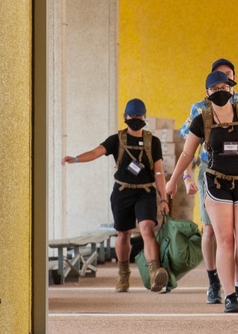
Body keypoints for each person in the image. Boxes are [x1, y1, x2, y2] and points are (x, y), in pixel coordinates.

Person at [167, 70, 238, 314]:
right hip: (217, 184)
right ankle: (229, 294)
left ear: (232, 88)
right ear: (207, 93)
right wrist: (174, 180)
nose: (220, 91)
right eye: (214, 88)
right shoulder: (202, 120)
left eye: (224, 87)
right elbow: (187, 154)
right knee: (225, 240)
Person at [61, 98, 169, 293]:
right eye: (131, 116)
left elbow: (159, 171)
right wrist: (76, 159)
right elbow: (95, 152)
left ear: (144, 117)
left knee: (147, 229)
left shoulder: (153, 142)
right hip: (122, 192)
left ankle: (155, 274)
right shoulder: (116, 140)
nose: (135, 119)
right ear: (125, 117)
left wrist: (163, 198)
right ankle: (123, 275)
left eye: (138, 116)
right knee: (123, 233)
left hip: (145, 191)